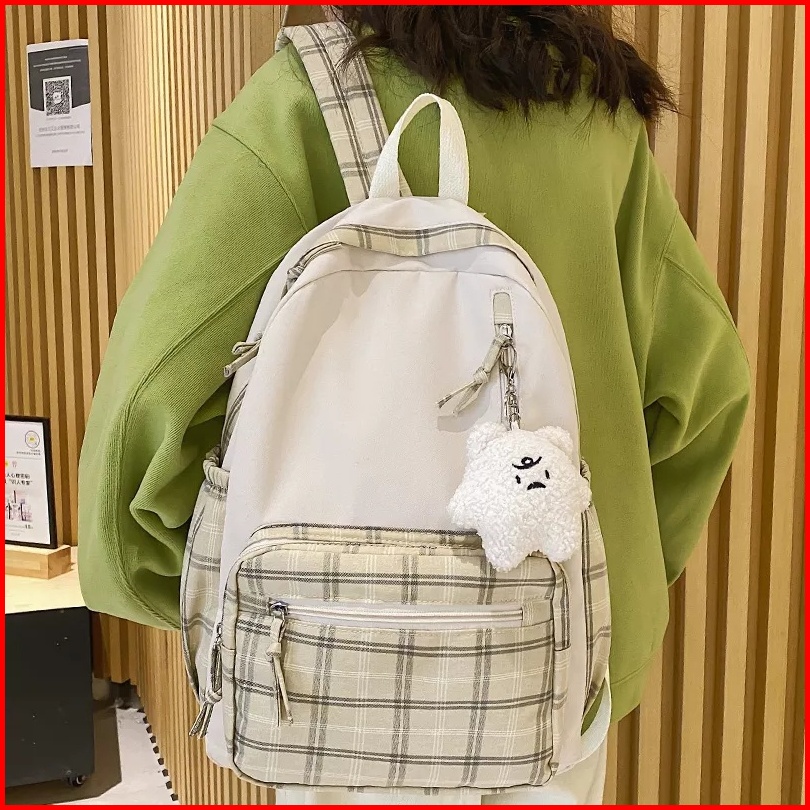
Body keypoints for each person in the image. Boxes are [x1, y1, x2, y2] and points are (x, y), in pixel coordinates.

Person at [78, 6, 750, 804]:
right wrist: (625, 569)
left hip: (334, 656)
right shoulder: (595, 116)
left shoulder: (302, 102)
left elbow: (145, 416)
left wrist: (211, 592)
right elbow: (707, 391)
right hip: (557, 663)